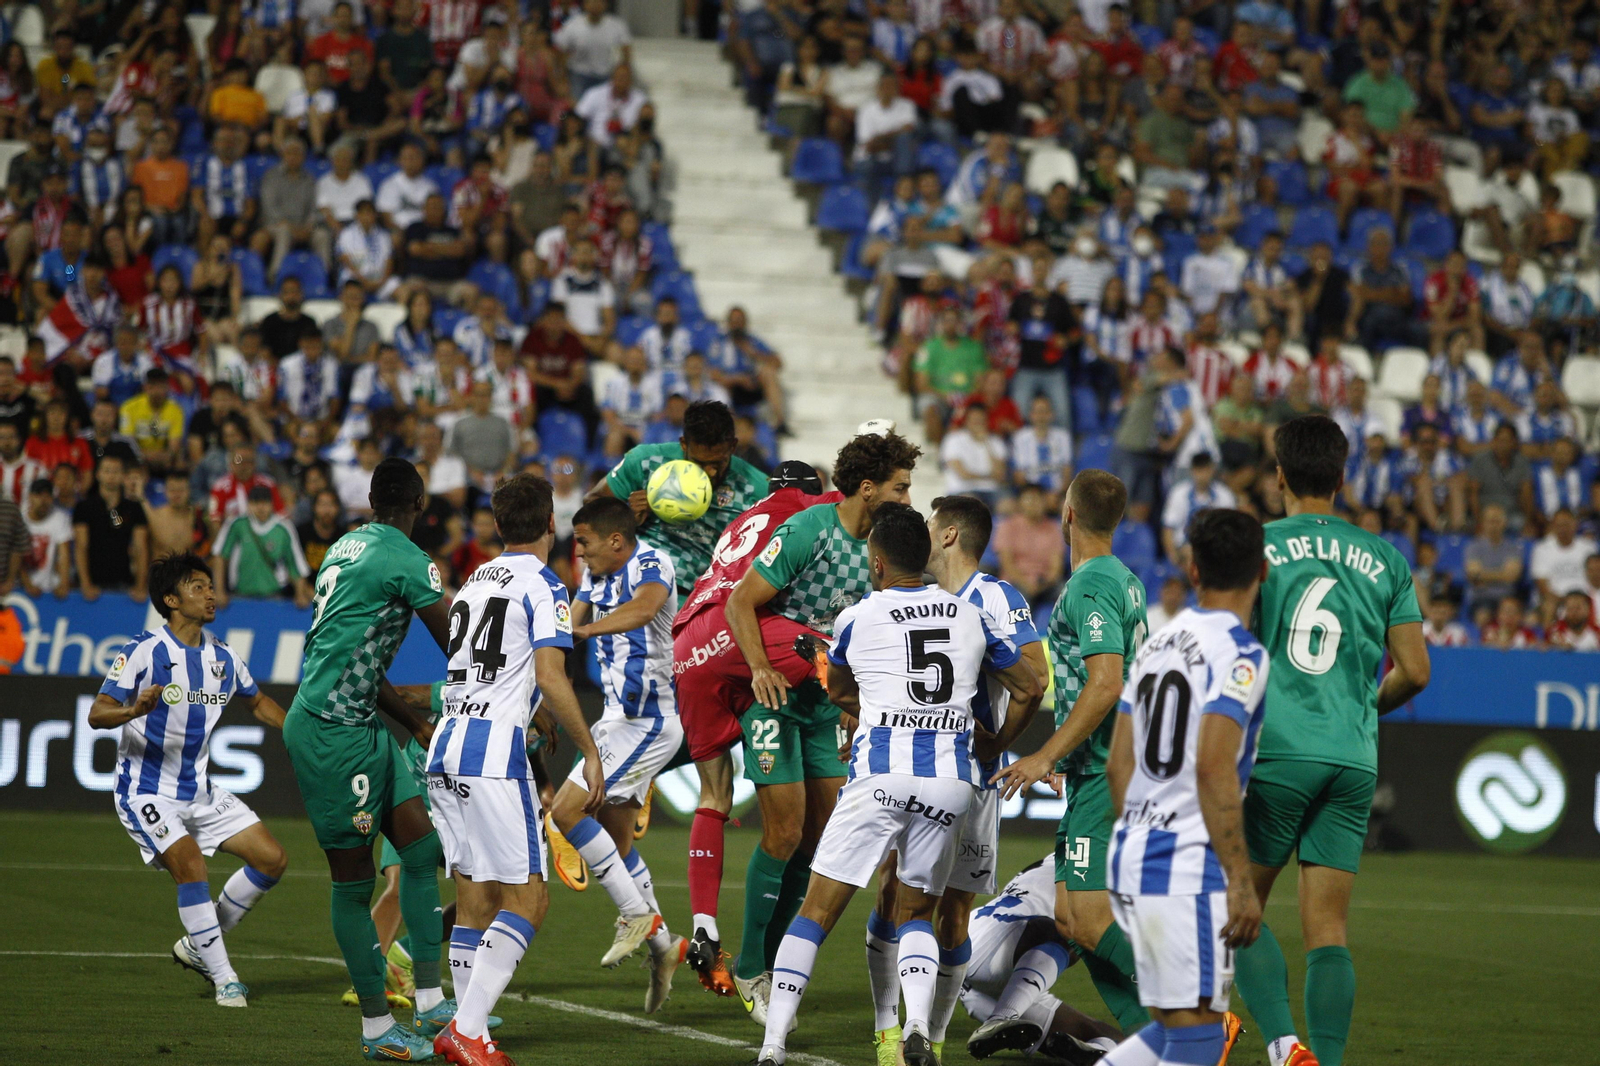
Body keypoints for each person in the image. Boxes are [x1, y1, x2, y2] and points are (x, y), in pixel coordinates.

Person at [754, 502, 1040, 1066]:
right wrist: (995, 740)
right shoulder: (969, 616)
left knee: (815, 913)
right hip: (950, 784)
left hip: (881, 777)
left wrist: (881, 704)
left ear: (877, 561)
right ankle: (916, 1028)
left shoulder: (857, 617)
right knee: (915, 915)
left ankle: (772, 1046)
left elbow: (837, 690)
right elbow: (1030, 687)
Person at [1232, 415, 1430, 1066]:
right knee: (1329, 932)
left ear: (1279, 475)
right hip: (1351, 757)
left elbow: (1228, 646)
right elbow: (1417, 671)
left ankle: (1284, 1046)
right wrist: (1363, 710)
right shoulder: (1386, 558)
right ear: (1344, 479)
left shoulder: (1257, 546)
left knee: (1239, 914)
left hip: (1277, 754)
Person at [721, 431, 923, 1013]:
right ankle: (752, 968)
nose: (907, 498)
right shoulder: (810, 530)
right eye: (900, 487)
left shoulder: (883, 554)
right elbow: (740, 601)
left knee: (819, 842)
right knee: (783, 832)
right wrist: (759, 667)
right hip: (777, 696)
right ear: (868, 489)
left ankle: (780, 959)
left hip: (826, 705)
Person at [283, 457, 460, 1061]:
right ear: (419, 503)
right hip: (332, 733)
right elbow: (459, 645)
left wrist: (414, 721)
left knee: (420, 849)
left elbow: (356, 653)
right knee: (354, 884)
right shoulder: (409, 559)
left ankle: (432, 1000)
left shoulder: (344, 546)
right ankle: (378, 1029)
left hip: (362, 722)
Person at [427, 474, 605, 1066]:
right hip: (493, 757)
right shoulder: (547, 585)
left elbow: (493, 665)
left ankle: (465, 1027)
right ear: (550, 523)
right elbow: (552, 675)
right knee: (528, 900)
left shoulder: (476, 579)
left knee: (475, 897)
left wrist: (531, 706)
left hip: (446, 746)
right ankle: (468, 1031)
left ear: (499, 527)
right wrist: (591, 751)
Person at [867, 495, 1047, 1065]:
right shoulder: (910, 595)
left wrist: (997, 741)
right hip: (916, 769)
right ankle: (890, 1029)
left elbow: (1035, 676)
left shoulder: (994, 597)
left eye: (927, 524)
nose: (918, 533)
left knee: (955, 908)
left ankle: (934, 1039)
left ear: (947, 536)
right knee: (895, 889)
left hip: (974, 780)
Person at [1094, 508, 1270, 1066]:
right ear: (1262, 571)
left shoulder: (1157, 644)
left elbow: (1117, 764)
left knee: (1177, 1028)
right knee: (1198, 1037)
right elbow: (1215, 766)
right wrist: (1241, 881)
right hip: (1186, 867)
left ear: (1193, 572)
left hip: (1132, 854)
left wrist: (1143, 828)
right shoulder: (1243, 655)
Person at [87, 552, 290, 1009]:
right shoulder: (144, 650)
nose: (211, 594)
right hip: (145, 792)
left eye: (210, 586)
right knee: (191, 865)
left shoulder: (222, 657)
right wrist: (132, 710)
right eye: (198, 586)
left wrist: (300, 729)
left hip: (198, 791)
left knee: (272, 859)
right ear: (171, 599)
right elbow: (98, 713)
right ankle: (225, 978)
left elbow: (257, 703)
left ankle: (199, 944)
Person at [990, 470, 1150, 1037]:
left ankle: (1193, 1014)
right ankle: (1155, 1040)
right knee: (1072, 919)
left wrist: (1044, 755)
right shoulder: (1125, 579)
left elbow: (1105, 683)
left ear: (1069, 514)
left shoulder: (1092, 586)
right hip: (1098, 766)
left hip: (1104, 770)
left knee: (1088, 918)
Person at [667, 461, 836, 997]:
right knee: (827, 650)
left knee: (714, 792)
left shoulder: (741, 520)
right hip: (736, 635)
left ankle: (704, 926)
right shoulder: (806, 513)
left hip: (688, 644)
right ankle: (763, 964)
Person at [545, 495, 686, 1009]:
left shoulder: (652, 563)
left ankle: (634, 914)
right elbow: (566, 627)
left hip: (648, 722)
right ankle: (663, 947)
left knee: (565, 812)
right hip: (615, 720)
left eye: (584, 543)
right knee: (619, 845)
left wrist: (583, 630)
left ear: (616, 541)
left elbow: (645, 608)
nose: (578, 552)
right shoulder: (594, 577)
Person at [592, 400, 768, 598]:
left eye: (718, 463)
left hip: (700, 600)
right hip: (634, 581)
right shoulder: (647, 461)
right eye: (699, 463)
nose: (709, 472)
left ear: (733, 446)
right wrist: (625, 516)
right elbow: (591, 502)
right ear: (684, 444)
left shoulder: (759, 490)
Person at [957, 858, 1122, 1061]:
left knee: (1117, 1041)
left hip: (989, 973)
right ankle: (1001, 1018)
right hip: (998, 939)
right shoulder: (1091, 864)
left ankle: (1095, 1051)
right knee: (1071, 930)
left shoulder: (1069, 859)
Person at [211, 484, 313, 607]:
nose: (260, 507)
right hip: (240, 596)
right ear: (248, 504)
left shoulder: (284, 528)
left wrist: (300, 593)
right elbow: (220, 556)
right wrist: (219, 591)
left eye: (264, 503)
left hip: (274, 596)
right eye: (255, 503)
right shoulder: (236, 524)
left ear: (272, 504)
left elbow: (296, 565)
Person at [74, 448, 149, 601]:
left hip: (124, 585)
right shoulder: (84, 507)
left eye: (116, 471)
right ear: (98, 474)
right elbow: (81, 546)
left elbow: (141, 548)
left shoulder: (134, 508)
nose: (111, 476)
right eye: (107, 471)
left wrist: (140, 586)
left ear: (123, 476)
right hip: (92, 585)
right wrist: (86, 584)